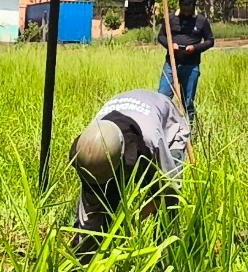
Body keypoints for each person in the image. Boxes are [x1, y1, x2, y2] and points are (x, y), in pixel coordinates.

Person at [69, 86, 192, 258]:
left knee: (167, 207)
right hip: (123, 116)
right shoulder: (89, 143)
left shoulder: (152, 141)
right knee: (103, 201)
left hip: (166, 125)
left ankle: (166, 260)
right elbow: (89, 211)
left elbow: (170, 186)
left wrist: (134, 220)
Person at [154, 0, 215, 123]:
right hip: (171, 65)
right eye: (184, 9)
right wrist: (170, 45)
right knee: (162, 98)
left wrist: (195, 48)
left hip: (191, 67)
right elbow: (161, 36)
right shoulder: (171, 18)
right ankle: (161, 127)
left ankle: (189, 131)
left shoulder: (201, 21)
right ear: (180, 5)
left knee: (188, 102)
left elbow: (210, 41)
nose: (186, 13)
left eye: (189, 9)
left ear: (194, 7)